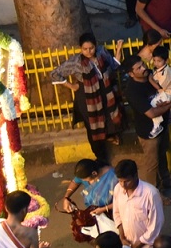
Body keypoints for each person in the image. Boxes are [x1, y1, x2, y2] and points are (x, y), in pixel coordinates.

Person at [53, 33, 124, 163]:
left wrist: (119, 48)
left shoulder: (102, 53)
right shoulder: (76, 62)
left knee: (108, 118)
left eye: (91, 48)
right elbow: (55, 74)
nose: (88, 51)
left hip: (105, 93)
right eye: (85, 49)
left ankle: (110, 137)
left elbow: (114, 66)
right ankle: (100, 157)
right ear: (80, 48)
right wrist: (71, 85)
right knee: (93, 126)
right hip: (87, 98)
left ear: (95, 46)